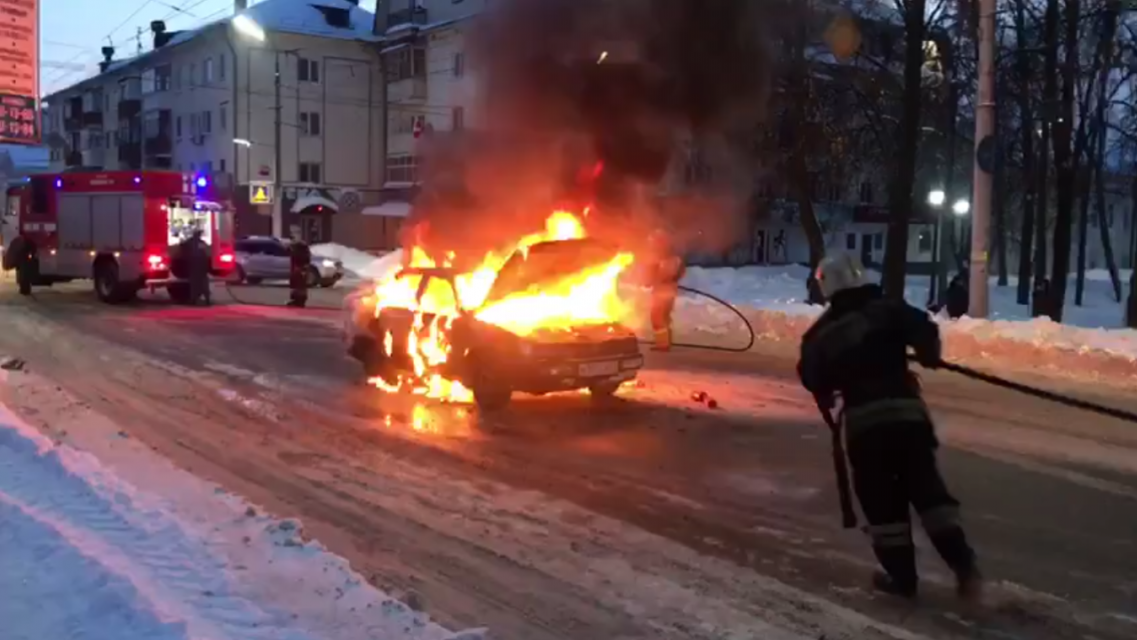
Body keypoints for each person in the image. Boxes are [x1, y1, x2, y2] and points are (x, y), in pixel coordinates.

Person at [797, 252, 982, 600]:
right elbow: (925, 330)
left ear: (826, 287)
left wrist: (831, 383)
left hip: (867, 429)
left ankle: (902, 578)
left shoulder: (821, 335)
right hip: (909, 419)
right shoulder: (890, 310)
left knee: (883, 505)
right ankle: (964, 566)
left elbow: (811, 376)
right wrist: (929, 352)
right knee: (928, 492)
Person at [646, 228, 685, 351]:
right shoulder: (675, 259)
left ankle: (662, 345)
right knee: (664, 316)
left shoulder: (662, 259)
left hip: (662, 291)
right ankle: (666, 342)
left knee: (657, 317)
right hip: (669, 290)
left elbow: (658, 275)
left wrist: (653, 281)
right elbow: (680, 272)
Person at [179, 229, 212, 305]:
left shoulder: (190, 242)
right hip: (202, 265)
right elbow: (206, 252)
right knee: (203, 282)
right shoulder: (201, 243)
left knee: (194, 283)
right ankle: (207, 299)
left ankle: (194, 299)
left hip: (194, 265)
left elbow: (183, 246)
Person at [288, 229, 311, 308]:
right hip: (297, 268)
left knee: (300, 285)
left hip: (300, 268)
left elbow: (305, 258)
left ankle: (300, 301)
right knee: (297, 284)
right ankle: (297, 300)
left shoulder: (301, 247)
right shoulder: (294, 247)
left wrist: (303, 267)